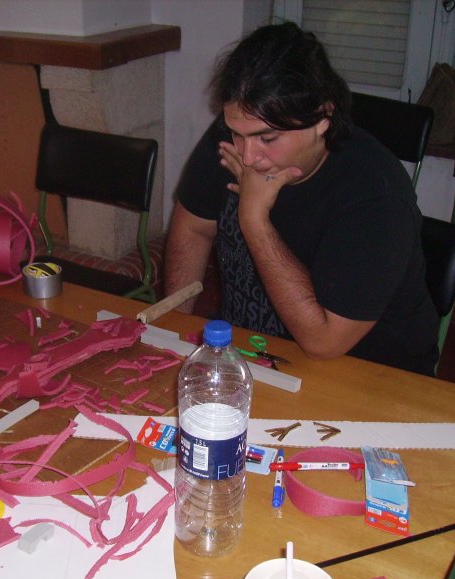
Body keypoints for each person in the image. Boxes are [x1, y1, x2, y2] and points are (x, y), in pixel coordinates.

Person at [164, 21, 439, 376]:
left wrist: (253, 217)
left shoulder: (376, 196)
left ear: (323, 117)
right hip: (252, 357)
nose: (248, 156)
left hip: (368, 373)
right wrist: (172, 331)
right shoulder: (238, 135)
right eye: (237, 133)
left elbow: (324, 343)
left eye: (268, 138)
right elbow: (193, 229)